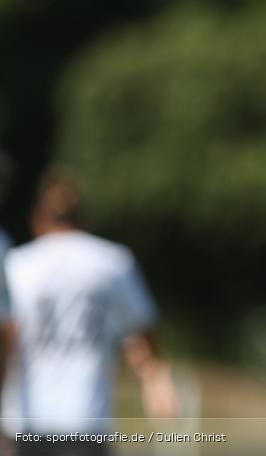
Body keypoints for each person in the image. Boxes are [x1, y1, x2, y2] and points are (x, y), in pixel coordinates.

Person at [2, 167, 177, 455]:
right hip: (86, 418)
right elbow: (142, 331)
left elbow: (7, 339)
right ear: (84, 218)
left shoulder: (17, 265)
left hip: (28, 419)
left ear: (38, 219)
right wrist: (156, 380)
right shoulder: (112, 262)